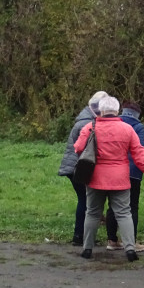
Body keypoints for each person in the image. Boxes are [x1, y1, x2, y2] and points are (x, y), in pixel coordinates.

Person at [75, 96, 144, 261]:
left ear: (100, 111)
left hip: (95, 178)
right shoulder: (127, 129)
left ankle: (87, 249)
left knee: (93, 213)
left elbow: (78, 148)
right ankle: (130, 249)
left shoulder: (90, 127)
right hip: (120, 179)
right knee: (124, 213)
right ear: (116, 111)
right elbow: (140, 156)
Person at [57, 91, 107, 245]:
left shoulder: (86, 119)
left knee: (85, 201)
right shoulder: (86, 123)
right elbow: (86, 151)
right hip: (78, 168)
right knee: (86, 202)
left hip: (75, 166)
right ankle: (80, 237)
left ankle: (81, 236)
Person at [104, 101, 144, 252]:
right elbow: (141, 150)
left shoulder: (115, 124)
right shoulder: (138, 127)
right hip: (133, 172)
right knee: (132, 207)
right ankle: (131, 241)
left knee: (112, 206)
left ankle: (112, 240)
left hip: (114, 171)